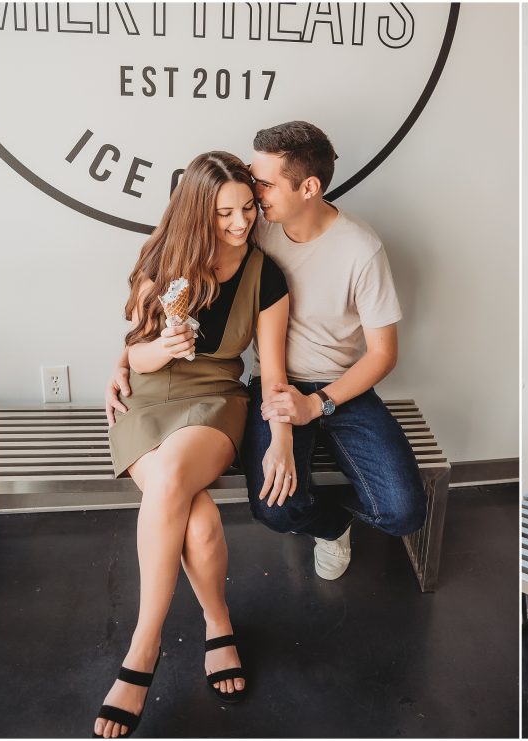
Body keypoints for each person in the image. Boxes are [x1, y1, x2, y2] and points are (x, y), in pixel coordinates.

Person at [107, 121, 426, 583]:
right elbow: (165, 283)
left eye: (265, 183)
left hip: (341, 390)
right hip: (274, 386)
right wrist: (123, 362)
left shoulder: (362, 249)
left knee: (403, 513)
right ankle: (330, 525)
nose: (253, 198)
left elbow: (382, 355)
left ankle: (340, 513)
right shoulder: (254, 229)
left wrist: (317, 403)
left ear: (309, 187)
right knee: (275, 507)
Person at [95, 152, 292, 738]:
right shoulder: (163, 261)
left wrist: (280, 433)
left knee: (174, 474)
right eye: (224, 213)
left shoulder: (267, 275)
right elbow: (136, 350)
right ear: (195, 213)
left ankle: (143, 648)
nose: (239, 223)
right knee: (199, 520)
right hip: (147, 401)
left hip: (215, 402)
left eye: (247, 208)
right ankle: (217, 622)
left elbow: (272, 371)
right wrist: (163, 345)